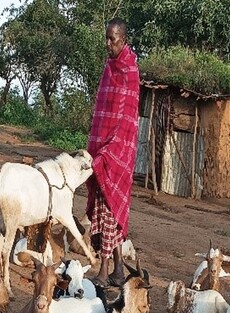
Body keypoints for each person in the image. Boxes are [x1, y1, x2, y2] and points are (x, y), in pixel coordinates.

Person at [86, 17, 140, 288]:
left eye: (113, 39)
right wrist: (96, 150)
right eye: (106, 38)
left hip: (118, 156)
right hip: (103, 151)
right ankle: (119, 269)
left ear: (124, 39)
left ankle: (104, 272)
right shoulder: (109, 68)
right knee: (110, 212)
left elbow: (125, 122)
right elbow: (103, 114)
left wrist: (108, 155)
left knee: (109, 212)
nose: (108, 44)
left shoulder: (130, 70)